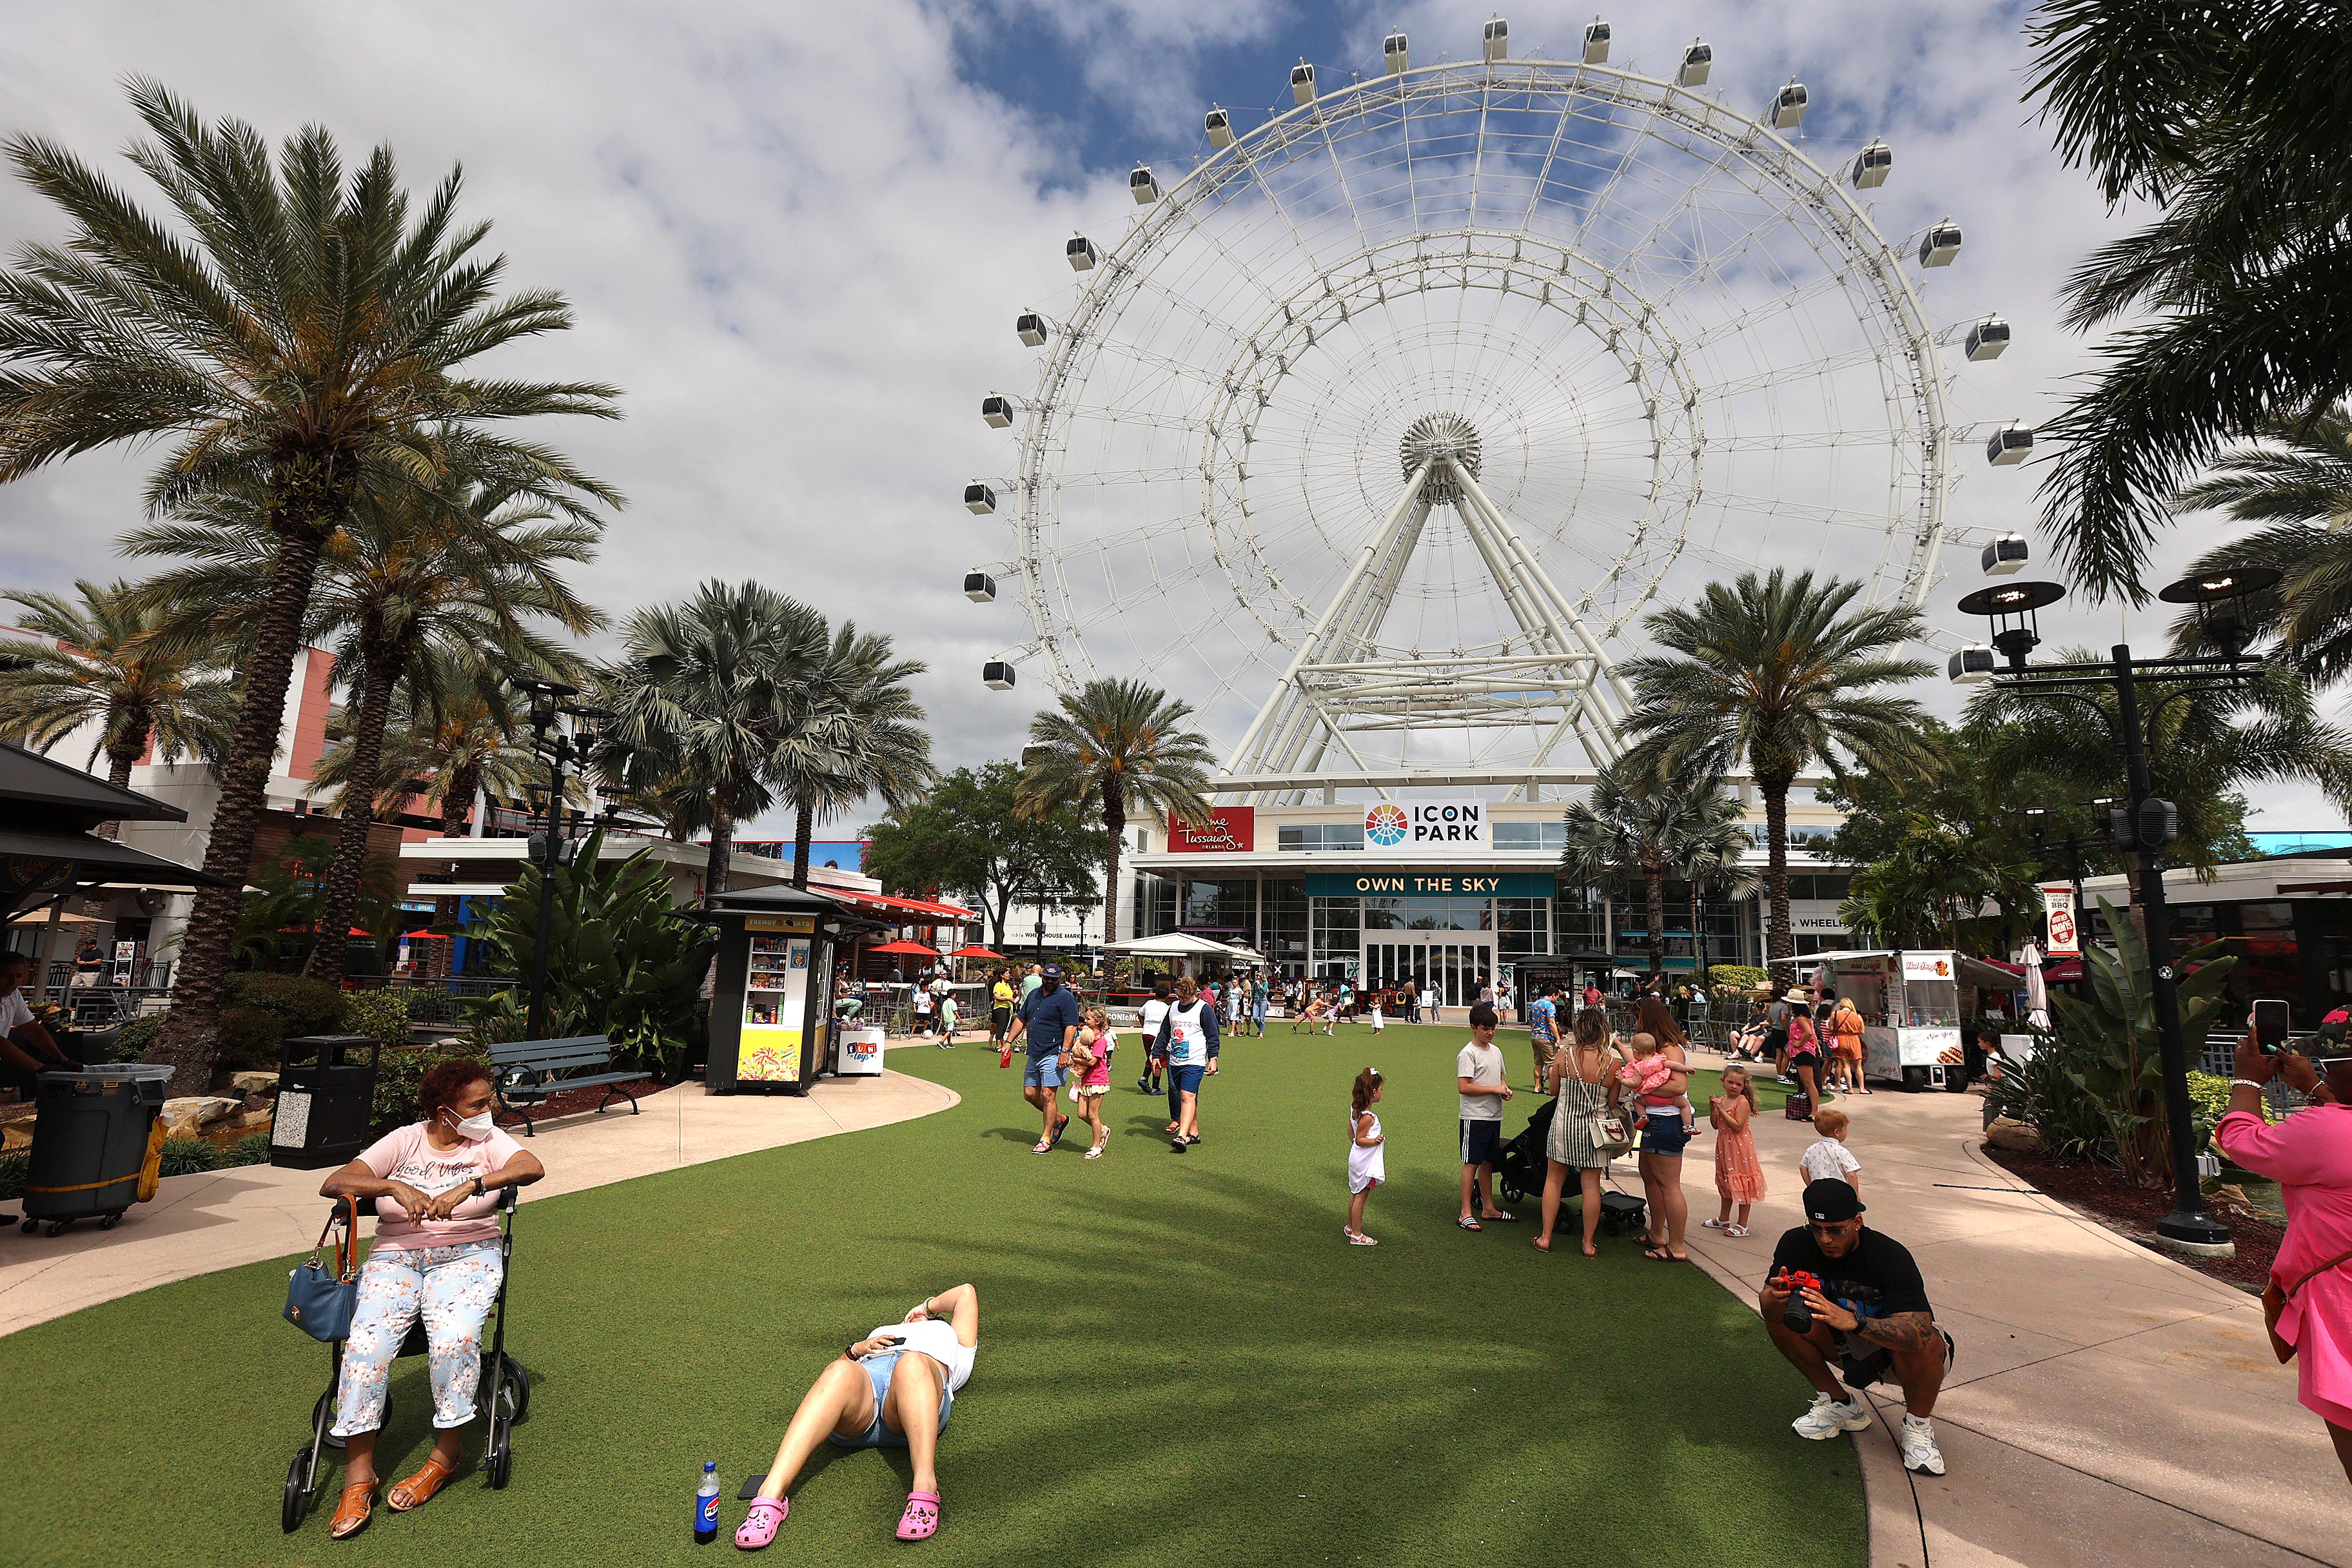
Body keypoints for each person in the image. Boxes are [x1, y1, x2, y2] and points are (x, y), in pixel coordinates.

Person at [318, 1058, 547, 1538]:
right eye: (478, 1104)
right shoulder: (403, 1140)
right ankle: (359, 1479)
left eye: (488, 1100)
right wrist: (392, 1186)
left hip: (468, 1255)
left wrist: (473, 1183)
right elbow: (335, 1182)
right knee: (365, 1349)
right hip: (396, 1256)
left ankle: (445, 1457)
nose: (491, 1110)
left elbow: (531, 1166)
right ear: (446, 1111)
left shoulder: (488, 1142)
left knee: (454, 1340)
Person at [736, 1283, 981, 1548]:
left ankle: (924, 1486)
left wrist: (926, 1309)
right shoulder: (884, 1331)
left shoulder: (953, 1341)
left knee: (912, 1364)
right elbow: (834, 1387)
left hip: (915, 1396)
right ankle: (771, 1494)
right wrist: (854, 1351)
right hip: (867, 1388)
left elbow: (965, 1294)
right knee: (838, 1371)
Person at [2217, 1031, 2352, 1483]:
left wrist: (2248, 1083)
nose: (2325, 1068)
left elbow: (2240, 1140)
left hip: (2342, 1313)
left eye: (2335, 1061)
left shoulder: (2327, 1131)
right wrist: (2316, 1091)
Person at [1763, 1180, 1952, 1476]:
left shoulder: (1889, 1255)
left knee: (1926, 1341)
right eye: (1817, 1229)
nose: (1825, 1239)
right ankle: (1841, 1405)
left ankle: (1917, 1425)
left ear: (1858, 1222)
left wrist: (1855, 1321)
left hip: (1892, 1351)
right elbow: (1768, 1307)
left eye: (1836, 1230)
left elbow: (1918, 1330)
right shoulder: (1796, 1243)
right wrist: (1776, 1296)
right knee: (1780, 1317)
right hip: (1839, 1341)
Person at [1536, 1006, 1624, 1257]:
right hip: (1594, 1130)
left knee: (1553, 1180)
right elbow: (1611, 1104)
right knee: (1591, 1187)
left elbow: (1553, 1091)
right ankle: (1587, 1243)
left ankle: (1545, 1237)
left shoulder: (1565, 1055)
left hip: (1564, 1125)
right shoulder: (1612, 1063)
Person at [1620, 1030, 1695, 1262]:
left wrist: (1640, 1087)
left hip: (1665, 1122)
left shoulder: (1668, 1051)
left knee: (1669, 1185)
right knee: (1652, 1178)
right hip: (1657, 1122)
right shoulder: (1658, 1055)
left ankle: (1677, 1246)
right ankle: (1657, 1234)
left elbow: (1678, 1088)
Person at [1008, 963, 1082, 1154]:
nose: (1050, 982)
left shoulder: (1066, 999)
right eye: (1047, 978)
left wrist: (1066, 1051)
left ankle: (1046, 1138)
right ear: (1042, 977)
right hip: (1034, 1052)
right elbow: (1021, 1019)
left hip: (1054, 1052)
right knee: (1030, 1094)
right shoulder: (1034, 995)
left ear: (1059, 978)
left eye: (1054, 979)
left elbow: (1071, 1026)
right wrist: (1008, 1041)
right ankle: (1059, 1119)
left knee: (1048, 1095)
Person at [1455, 1003, 1516, 1230]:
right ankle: (1465, 1212)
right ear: (1473, 1028)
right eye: (1485, 1028)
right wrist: (1495, 1090)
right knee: (1471, 1164)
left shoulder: (1496, 1051)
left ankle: (1489, 1208)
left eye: (1493, 1028)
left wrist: (1504, 1089)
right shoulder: (1468, 1053)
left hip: (1494, 1116)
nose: (1490, 1032)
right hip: (1474, 1116)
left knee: (1489, 1163)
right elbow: (1464, 1087)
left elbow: (1500, 1079)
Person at [0, 952, 79, 1102]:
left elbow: (31, 1028)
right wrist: (39, 1067)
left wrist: (62, 1059)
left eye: (18, 976)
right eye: (6, 976)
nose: (13, 982)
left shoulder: (14, 995)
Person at [1155, 974, 1219, 1150]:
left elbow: (1213, 1035)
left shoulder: (1203, 1009)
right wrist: (1155, 1054)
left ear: (1194, 994)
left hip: (1195, 1061)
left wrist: (1213, 1058)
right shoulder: (1174, 1007)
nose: (1182, 1000)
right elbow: (1164, 1032)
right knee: (1188, 1096)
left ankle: (1182, 1136)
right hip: (1175, 1060)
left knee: (1187, 1096)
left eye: (1186, 997)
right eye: (1179, 996)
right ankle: (1194, 1133)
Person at [1704, 1064, 1767, 1237]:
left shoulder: (1742, 1102)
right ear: (1723, 1081)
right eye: (1731, 1082)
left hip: (1740, 1147)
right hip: (1724, 1146)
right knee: (1726, 1182)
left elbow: (1738, 1126)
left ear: (1744, 1086)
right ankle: (1724, 1218)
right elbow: (1716, 1125)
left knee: (1742, 1183)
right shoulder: (1723, 1099)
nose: (1734, 1086)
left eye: (1738, 1084)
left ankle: (1743, 1224)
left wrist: (1722, 1110)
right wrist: (1713, 1109)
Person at [1345, 1066, 1387, 1246]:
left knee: (1355, 1194)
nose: (1382, 1093)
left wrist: (1357, 1142)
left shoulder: (1355, 1110)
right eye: (1381, 1090)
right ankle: (1356, 1234)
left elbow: (1350, 1131)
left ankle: (1350, 1227)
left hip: (1357, 1159)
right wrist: (1375, 1141)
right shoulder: (1368, 1117)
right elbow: (1361, 1140)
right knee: (1361, 1195)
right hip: (1365, 1163)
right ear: (1374, 1092)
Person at [1068, 1008, 1114, 1159]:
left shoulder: (1100, 1040)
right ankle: (1103, 1130)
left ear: (1098, 1022)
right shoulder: (1086, 1039)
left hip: (1098, 1081)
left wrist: (1073, 1060)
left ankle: (1096, 1147)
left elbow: (1093, 1061)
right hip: (1086, 1081)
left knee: (1092, 1114)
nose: (1085, 1022)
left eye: (1088, 1019)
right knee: (1082, 1113)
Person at [1799, 1105, 1861, 1195]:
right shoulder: (1842, 1152)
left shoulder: (1812, 1149)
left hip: (1818, 1194)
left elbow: (1803, 1168)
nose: (1846, 1132)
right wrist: (1855, 1195)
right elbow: (1851, 1175)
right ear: (1837, 1132)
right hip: (1839, 1194)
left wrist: (1811, 1186)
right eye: (1845, 1129)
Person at [1783, 990, 1825, 1110]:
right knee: (1807, 1082)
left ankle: (1814, 1111)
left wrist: (1800, 1042)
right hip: (1802, 1051)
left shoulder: (1800, 1018)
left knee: (1809, 1083)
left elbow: (1809, 1033)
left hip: (1803, 1051)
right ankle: (1809, 1109)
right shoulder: (1804, 1017)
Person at [1828, 994, 1869, 1094]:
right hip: (1854, 1040)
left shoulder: (1835, 1014)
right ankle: (1862, 1088)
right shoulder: (1857, 1016)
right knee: (1858, 1066)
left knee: (1846, 1066)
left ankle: (1850, 1088)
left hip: (1841, 1040)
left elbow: (1831, 1028)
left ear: (1841, 1005)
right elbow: (1862, 1031)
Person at [1137, 979, 1171, 1093]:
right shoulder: (1167, 1008)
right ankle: (1155, 1088)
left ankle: (1144, 1079)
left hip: (1146, 1033)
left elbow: (1140, 1014)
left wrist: (1144, 1026)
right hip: (1157, 1035)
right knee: (1158, 1059)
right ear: (1167, 996)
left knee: (1151, 1057)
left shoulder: (1149, 1003)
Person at [1525, 983, 1559, 1091]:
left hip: (1535, 1036)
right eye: (1557, 997)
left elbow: (1530, 1020)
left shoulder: (1535, 1004)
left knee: (1538, 1063)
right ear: (1553, 995)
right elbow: (1551, 1023)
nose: (1557, 1000)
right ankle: (1552, 1088)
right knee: (1551, 1063)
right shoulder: (1550, 1006)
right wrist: (1557, 1037)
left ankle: (1537, 1087)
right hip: (1545, 1037)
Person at [989, 969, 1015, 1050]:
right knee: (1000, 1027)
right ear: (1002, 975)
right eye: (1006, 974)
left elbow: (1011, 998)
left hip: (1008, 1009)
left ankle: (1002, 1044)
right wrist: (1008, 999)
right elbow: (997, 997)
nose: (1008, 975)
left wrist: (1016, 994)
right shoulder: (998, 985)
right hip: (1000, 1008)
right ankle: (998, 1046)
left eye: (1009, 974)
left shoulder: (1008, 986)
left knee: (1004, 1027)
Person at [1250, 974, 1269, 1038]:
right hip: (1256, 1000)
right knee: (1255, 1017)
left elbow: (1264, 991)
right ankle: (1261, 1028)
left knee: (1262, 1018)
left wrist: (1260, 985)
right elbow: (1253, 993)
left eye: (1259, 976)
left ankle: (1261, 1033)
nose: (1257, 978)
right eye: (1257, 976)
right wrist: (1250, 1002)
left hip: (1263, 1000)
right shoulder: (1255, 984)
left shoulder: (1265, 983)